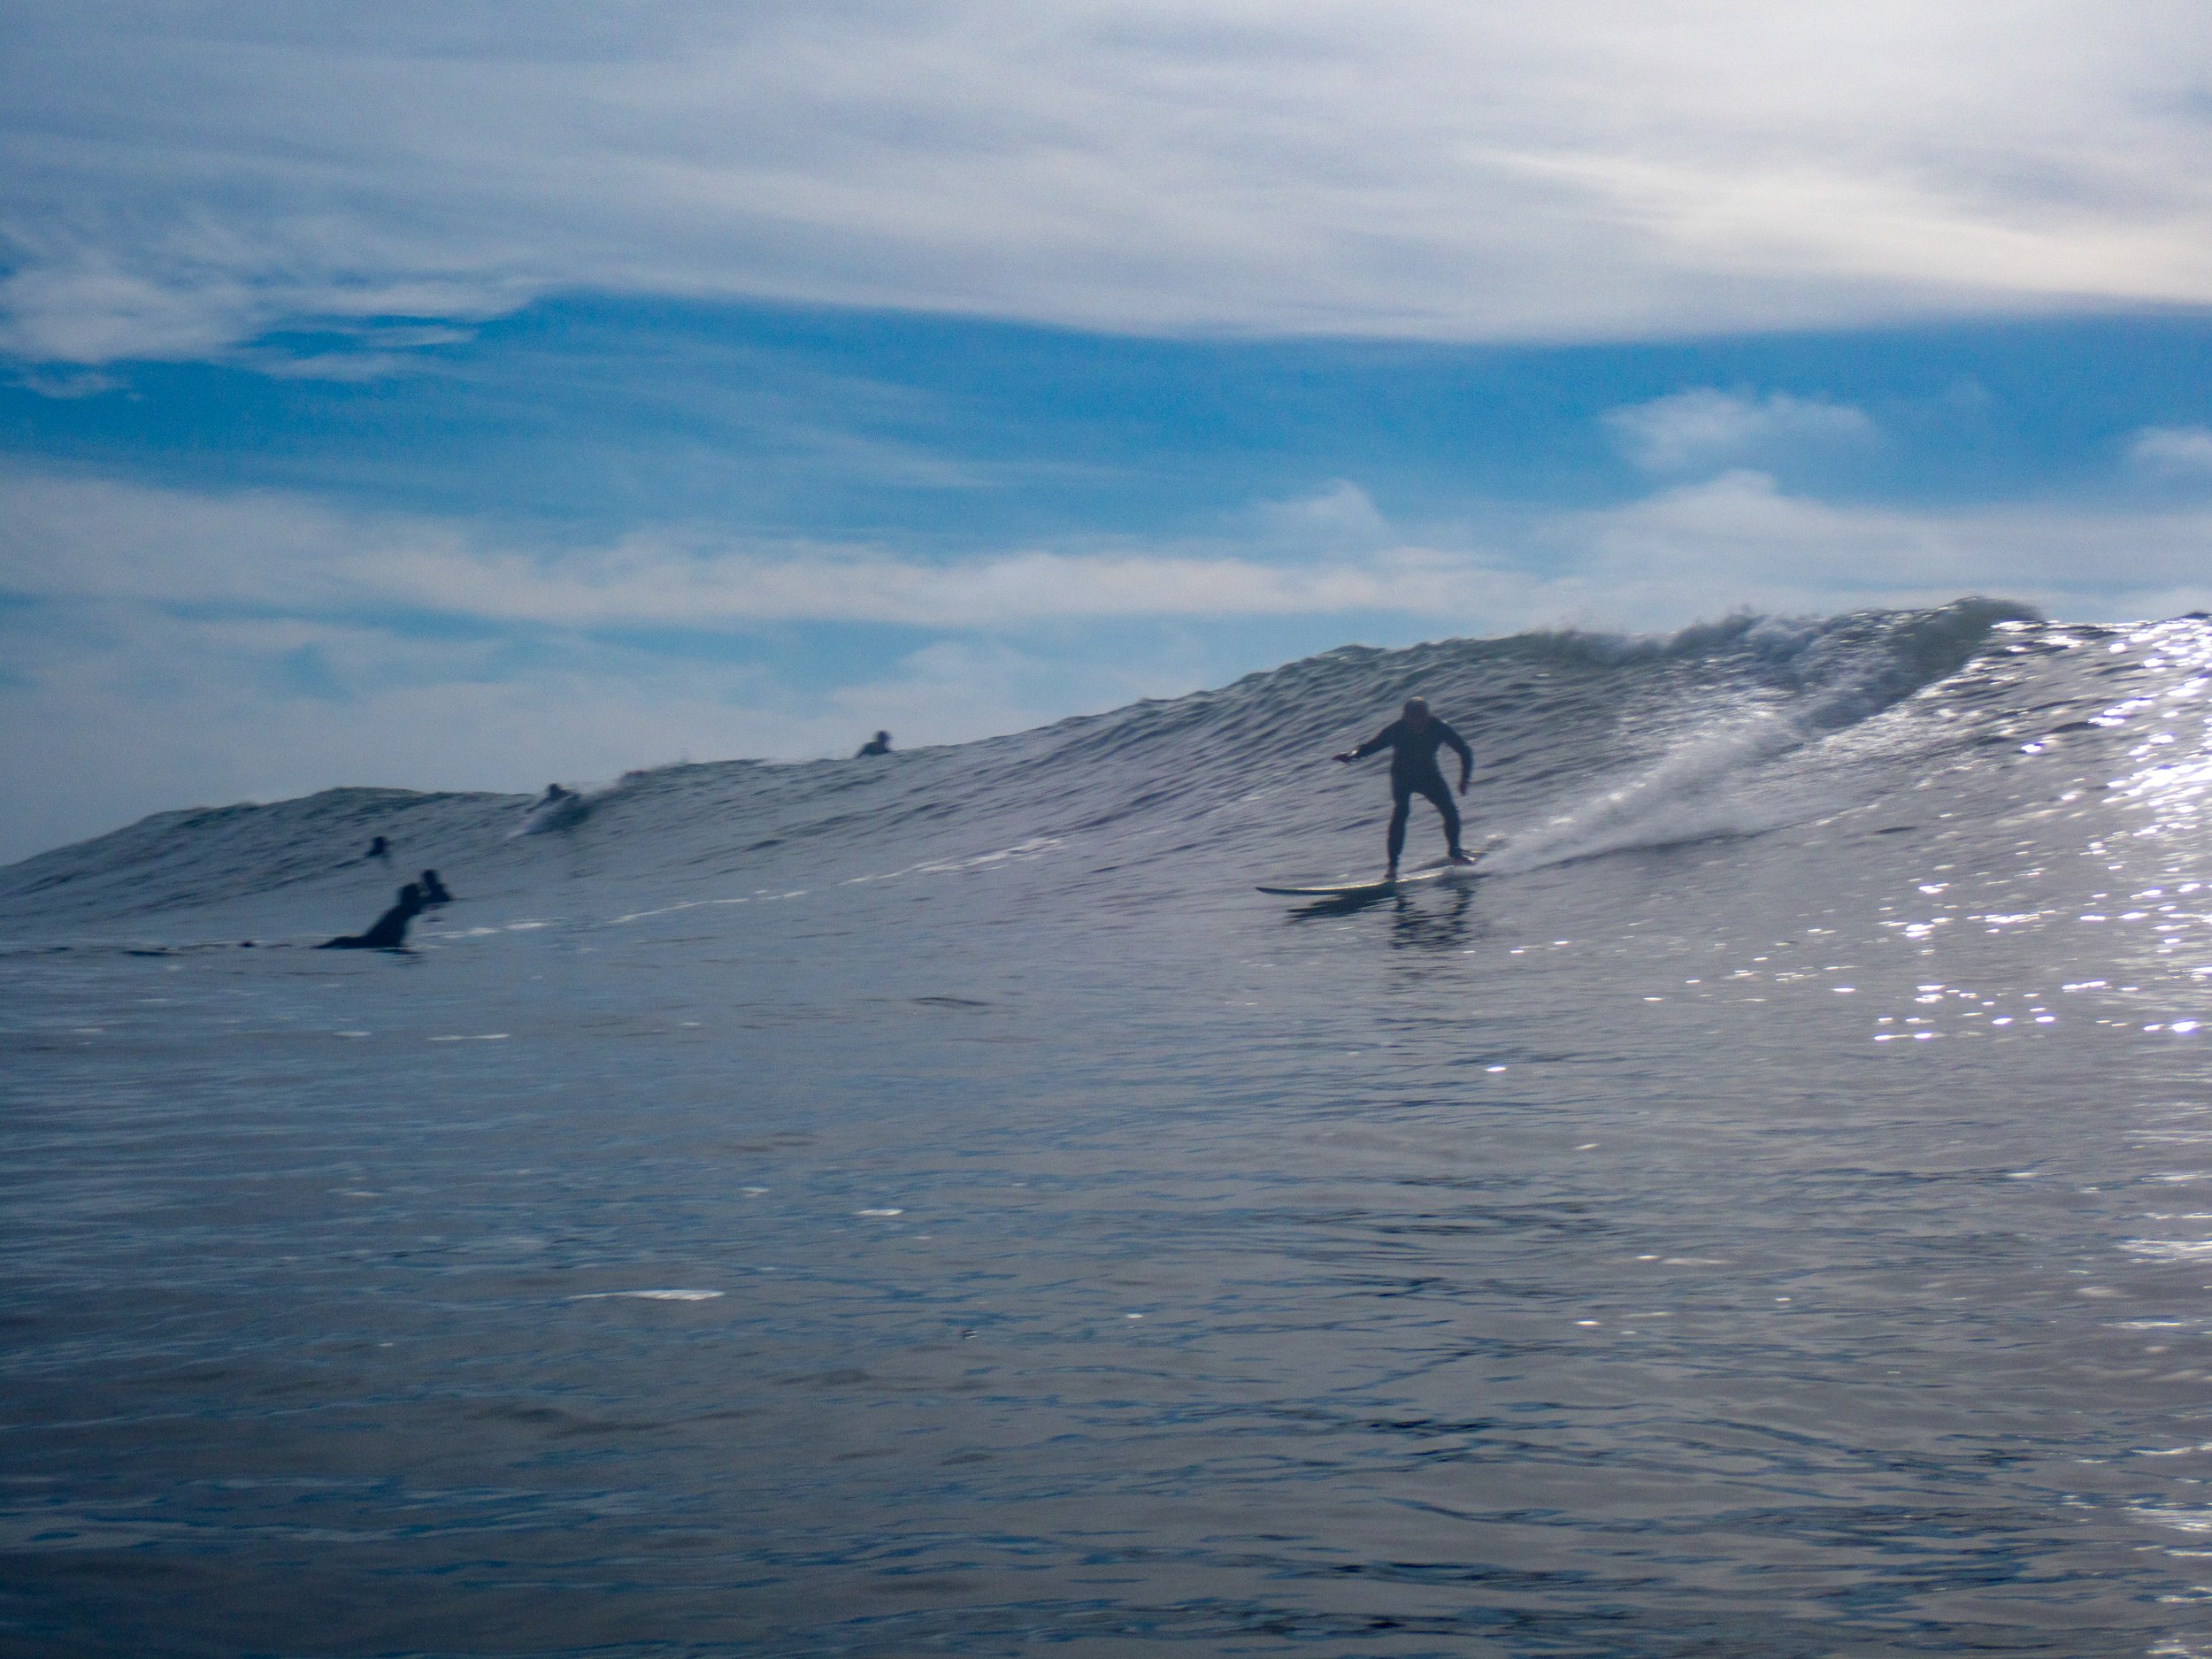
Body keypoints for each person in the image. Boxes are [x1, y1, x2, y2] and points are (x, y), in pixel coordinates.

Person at [1334, 695, 1474, 879]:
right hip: (1402, 777)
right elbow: (1370, 747)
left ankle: (1455, 854)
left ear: (1428, 716)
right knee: (1401, 813)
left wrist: (1464, 779)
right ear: (1405, 718)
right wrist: (1352, 755)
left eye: (1421, 718)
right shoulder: (1397, 730)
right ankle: (1392, 867)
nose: (1417, 723)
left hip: (1429, 776)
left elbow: (1465, 751)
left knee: (1449, 810)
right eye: (1412, 719)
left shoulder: (1439, 727)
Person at [319, 883, 426, 950]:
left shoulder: (400, 914)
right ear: (411, 901)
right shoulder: (398, 916)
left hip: (361, 943)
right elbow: (387, 943)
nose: (422, 903)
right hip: (362, 945)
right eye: (419, 899)